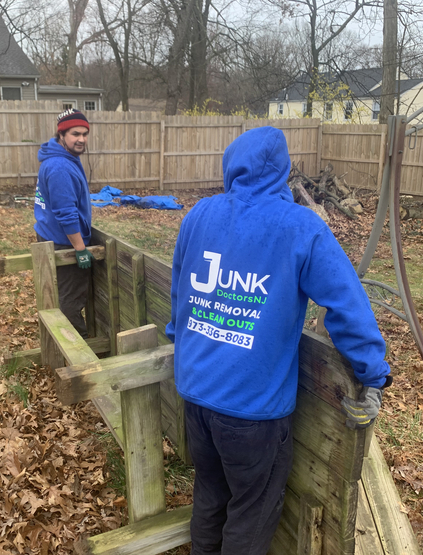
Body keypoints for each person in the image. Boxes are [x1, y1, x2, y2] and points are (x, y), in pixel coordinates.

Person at [165, 126, 392, 555]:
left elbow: (182, 291)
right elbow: (346, 302)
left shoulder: (200, 214)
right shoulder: (299, 227)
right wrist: (373, 373)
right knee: (251, 515)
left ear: (232, 165)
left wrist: (179, 336)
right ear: (285, 172)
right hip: (252, 413)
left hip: (195, 396)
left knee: (211, 495)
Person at [34, 108, 94, 338]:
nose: (81, 139)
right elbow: (65, 212)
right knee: (70, 301)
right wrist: (80, 249)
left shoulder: (63, 158)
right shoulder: (59, 166)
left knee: (57, 295)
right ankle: (78, 351)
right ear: (61, 135)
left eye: (85, 134)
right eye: (75, 134)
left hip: (49, 235)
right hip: (63, 242)